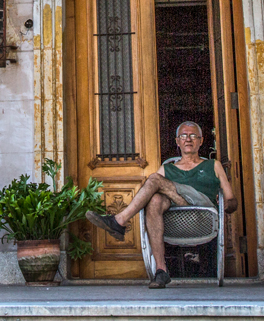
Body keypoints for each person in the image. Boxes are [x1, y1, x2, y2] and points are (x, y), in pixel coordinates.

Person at [86, 121, 238, 289]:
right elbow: (152, 193)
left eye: (193, 135)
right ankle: (161, 270)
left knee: (154, 180)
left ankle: (119, 221)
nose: (188, 139)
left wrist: (227, 208)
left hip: (203, 217)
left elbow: (231, 199)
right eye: (183, 136)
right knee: (155, 200)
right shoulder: (168, 169)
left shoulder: (213, 165)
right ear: (177, 141)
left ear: (201, 141)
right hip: (175, 222)